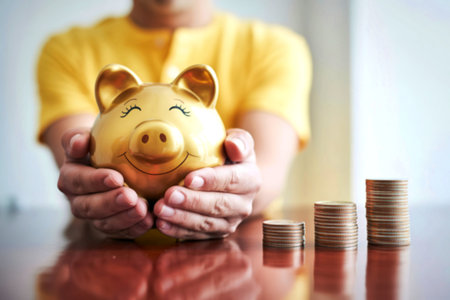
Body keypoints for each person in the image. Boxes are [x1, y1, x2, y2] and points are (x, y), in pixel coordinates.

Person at [37, 0, 312, 240]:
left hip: (242, 247)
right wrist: (85, 174)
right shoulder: (66, 51)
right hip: (105, 251)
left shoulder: (276, 48)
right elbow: (85, 160)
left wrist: (245, 184)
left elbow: (266, 170)